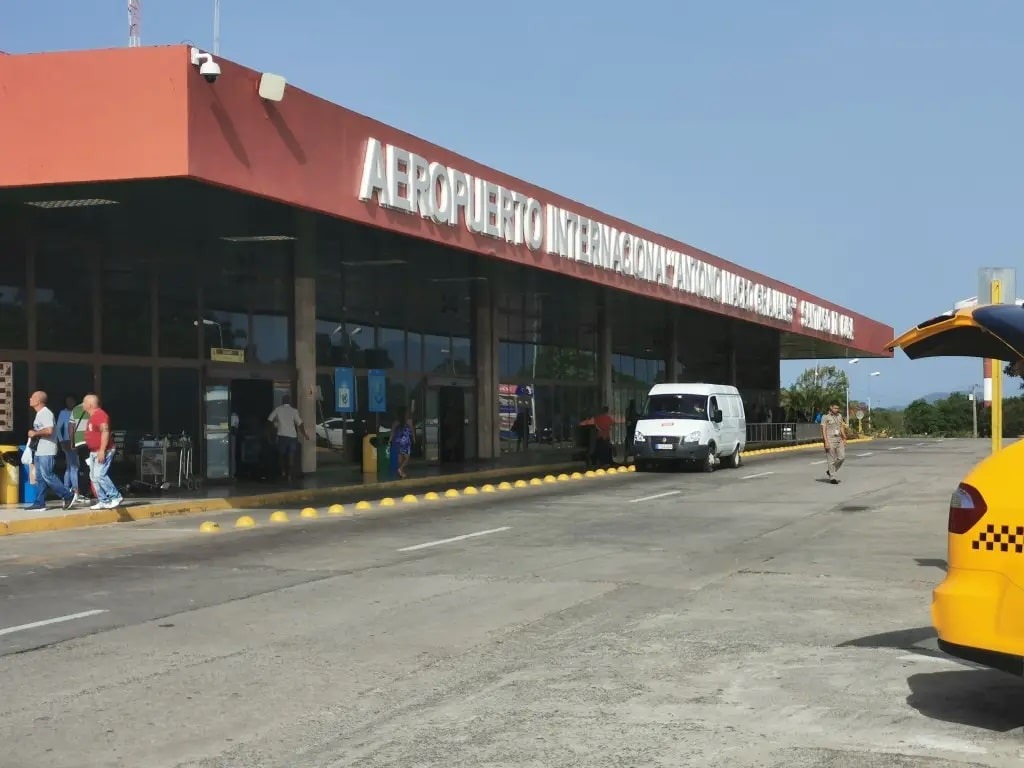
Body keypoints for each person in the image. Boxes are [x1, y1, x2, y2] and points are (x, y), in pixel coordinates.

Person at [27, 391, 78, 511]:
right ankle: (40, 502)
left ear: (39, 400)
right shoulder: (39, 414)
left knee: (48, 475)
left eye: (33, 397)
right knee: (40, 477)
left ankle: (68, 495)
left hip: (47, 449)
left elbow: (49, 430)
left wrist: (35, 433)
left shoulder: (45, 413)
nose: (30, 399)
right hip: (40, 450)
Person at [83, 393, 122, 509]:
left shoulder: (100, 415)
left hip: (103, 450)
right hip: (94, 451)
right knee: (94, 477)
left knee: (100, 475)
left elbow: (105, 431)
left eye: (84, 402)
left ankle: (115, 496)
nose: (82, 405)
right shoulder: (93, 416)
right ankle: (103, 500)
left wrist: (102, 450)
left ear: (89, 405)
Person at [267, 395, 309, 481]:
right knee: (291, 456)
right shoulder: (294, 411)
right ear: (290, 402)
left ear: (282, 401)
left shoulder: (278, 409)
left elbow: (269, 420)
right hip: (292, 436)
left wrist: (272, 430)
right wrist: (305, 434)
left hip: (282, 436)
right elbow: (300, 423)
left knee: (281, 455)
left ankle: (283, 473)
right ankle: (289, 474)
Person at [56, 394, 79, 498]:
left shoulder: (78, 412)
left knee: (71, 467)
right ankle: (75, 490)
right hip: (67, 441)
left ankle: (67, 489)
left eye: (72, 401)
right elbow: (58, 429)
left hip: (77, 441)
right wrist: (61, 442)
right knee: (73, 467)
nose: (70, 403)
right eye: (68, 401)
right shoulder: (63, 413)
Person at [821, 402, 848, 484]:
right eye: (835, 408)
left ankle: (831, 471)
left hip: (839, 439)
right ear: (831, 407)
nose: (836, 410)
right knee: (831, 459)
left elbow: (841, 427)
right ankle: (832, 477)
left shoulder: (839, 416)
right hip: (830, 439)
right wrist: (826, 442)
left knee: (842, 457)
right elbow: (823, 429)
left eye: (837, 408)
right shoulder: (825, 417)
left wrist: (844, 437)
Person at [389, 406, 414, 479]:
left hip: (397, 442)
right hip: (405, 442)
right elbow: (412, 430)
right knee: (407, 458)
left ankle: (401, 472)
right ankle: (400, 469)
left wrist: (390, 441)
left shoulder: (396, 422)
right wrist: (414, 438)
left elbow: (392, 432)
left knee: (400, 458)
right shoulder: (409, 421)